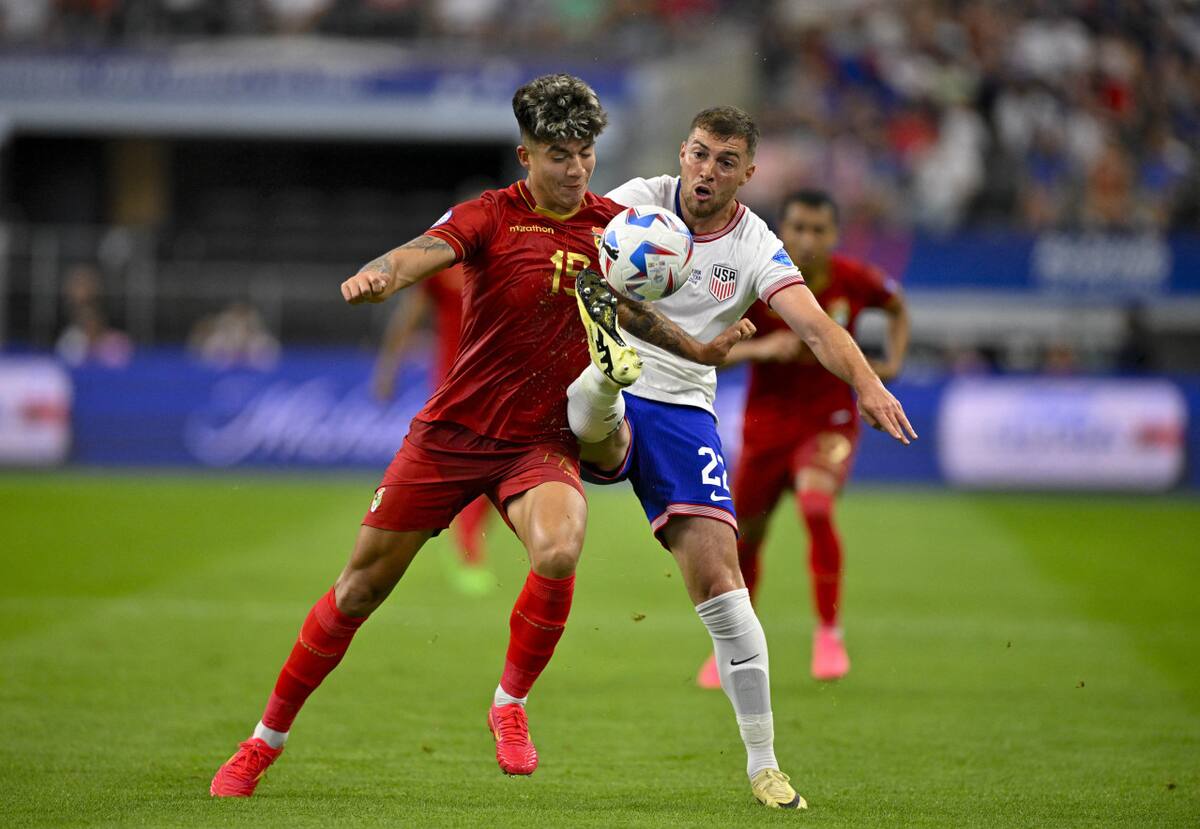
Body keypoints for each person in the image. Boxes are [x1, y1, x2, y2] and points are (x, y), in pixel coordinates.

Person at [209, 73, 744, 798]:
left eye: (585, 153)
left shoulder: (616, 229)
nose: (577, 168)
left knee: (559, 548)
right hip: (453, 434)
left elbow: (631, 309)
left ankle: (509, 704)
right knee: (360, 589)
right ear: (526, 155)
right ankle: (261, 742)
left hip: (540, 441)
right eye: (559, 154)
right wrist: (380, 273)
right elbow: (421, 252)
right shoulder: (490, 215)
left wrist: (698, 348)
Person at [567, 107, 917, 811]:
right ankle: (605, 379)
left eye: (725, 161)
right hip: (605, 383)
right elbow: (556, 240)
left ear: (748, 174)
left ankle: (765, 766)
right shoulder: (634, 203)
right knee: (593, 424)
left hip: (682, 411)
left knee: (725, 588)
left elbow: (816, 326)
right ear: (682, 152)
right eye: (700, 154)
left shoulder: (757, 244)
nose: (707, 170)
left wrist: (869, 383)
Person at [696, 189, 910, 688]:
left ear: (835, 235)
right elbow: (708, 352)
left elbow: (897, 308)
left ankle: (829, 635)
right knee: (744, 537)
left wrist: (893, 364)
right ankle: (734, 648)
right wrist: (762, 348)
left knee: (816, 507)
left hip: (827, 420)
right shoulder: (752, 280)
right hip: (765, 427)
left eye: (818, 230)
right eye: (798, 228)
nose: (807, 239)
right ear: (781, 231)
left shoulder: (853, 280)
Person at [370, 262, 496, 596]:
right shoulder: (444, 263)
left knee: (500, 465)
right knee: (477, 464)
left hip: (500, 379)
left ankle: (465, 537)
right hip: (453, 383)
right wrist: (388, 369)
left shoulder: (505, 257)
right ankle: (465, 543)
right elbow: (410, 315)